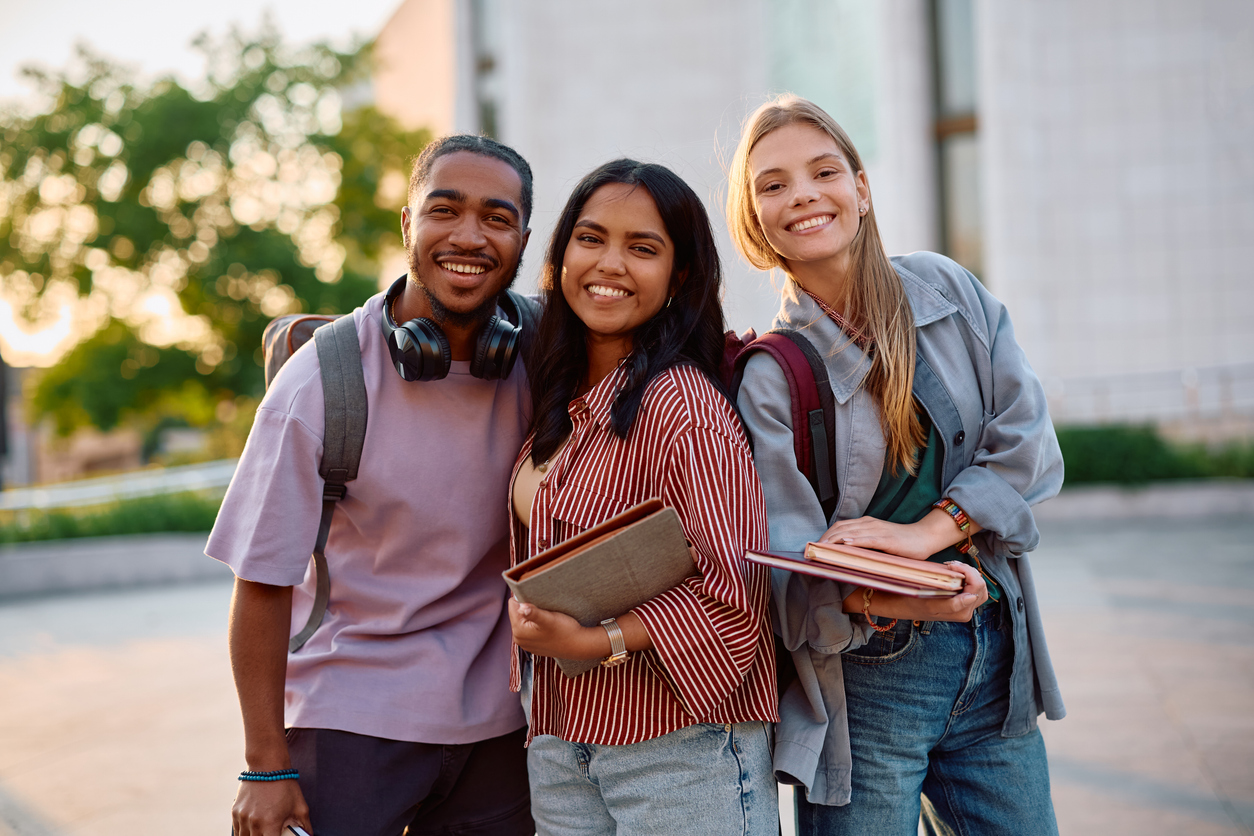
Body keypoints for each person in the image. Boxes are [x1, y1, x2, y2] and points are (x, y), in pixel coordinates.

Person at [727, 95, 1066, 835]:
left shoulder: (947, 291)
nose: (805, 195)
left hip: (992, 650)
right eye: (773, 184)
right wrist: (898, 593)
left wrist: (929, 534)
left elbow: (1030, 441)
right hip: (871, 678)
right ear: (754, 219)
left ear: (862, 188)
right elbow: (786, 564)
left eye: (824, 171)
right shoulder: (771, 374)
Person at [207, 134, 540, 836]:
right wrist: (264, 764)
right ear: (407, 223)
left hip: (501, 727)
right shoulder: (323, 383)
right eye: (444, 209)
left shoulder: (544, 355)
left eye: (497, 218)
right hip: (351, 720)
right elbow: (262, 582)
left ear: (523, 239)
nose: (470, 236)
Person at [506, 159, 779, 836]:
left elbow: (736, 596)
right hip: (562, 739)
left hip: (681, 753)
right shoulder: (560, 398)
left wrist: (598, 641)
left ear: (678, 275)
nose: (610, 263)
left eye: (643, 248)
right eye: (591, 238)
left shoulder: (683, 408)